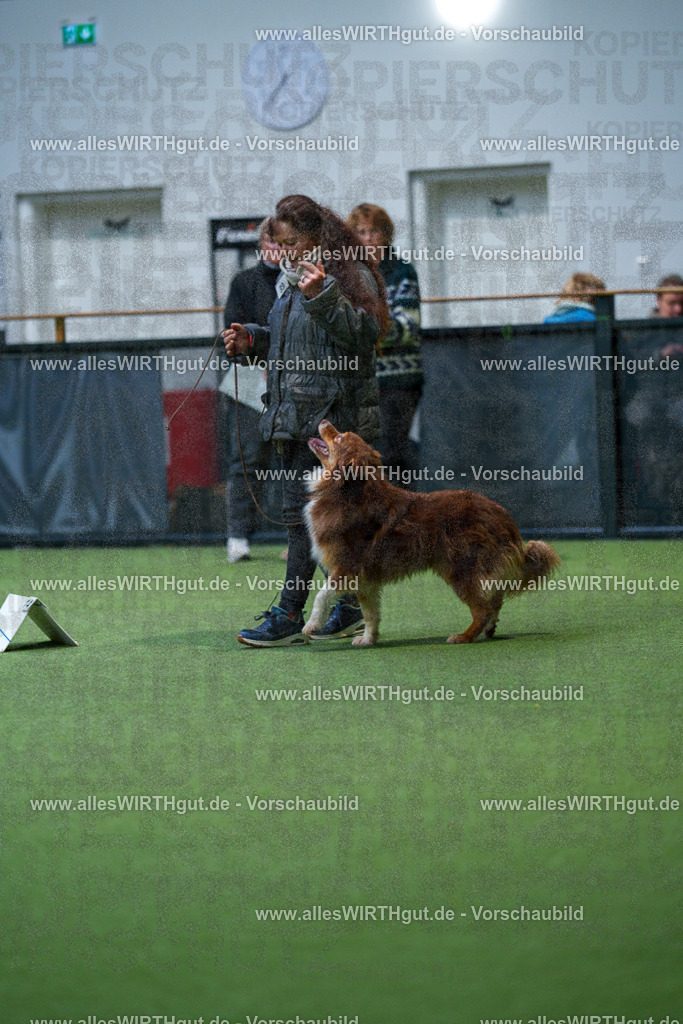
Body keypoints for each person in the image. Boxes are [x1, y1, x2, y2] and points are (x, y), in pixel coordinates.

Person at [222, 194, 388, 647]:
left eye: (292, 243)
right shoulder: (292, 280)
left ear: (318, 236)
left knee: (305, 519)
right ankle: (349, 608)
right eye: (279, 245)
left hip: (333, 421)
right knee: (320, 520)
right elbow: (293, 342)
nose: (284, 252)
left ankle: (289, 614)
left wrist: (323, 297)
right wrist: (253, 340)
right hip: (298, 415)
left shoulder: (349, 273)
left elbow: (364, 335)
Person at [347, 203, 423, 482]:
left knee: (390, 458)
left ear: (385, 234)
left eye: (374, 231)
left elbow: (409, 326)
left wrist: (365, 331)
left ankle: (402, 510)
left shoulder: (402, 271)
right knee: (359, 462)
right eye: (361, 232)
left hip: (398, 380)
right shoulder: (348, 275)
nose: (368, 238)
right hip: (357, 383)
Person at [220, 218, 281, 563]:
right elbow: (232, 333)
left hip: (291, 383)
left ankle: (300, 536)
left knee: (297, 461)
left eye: (284, 242)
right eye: (272, 242)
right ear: (261, 245)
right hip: (248, 383)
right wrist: (260, 361)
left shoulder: (304, 281)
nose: (277, 249)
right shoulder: (243, 282)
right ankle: (238, 537)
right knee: (248, 459)